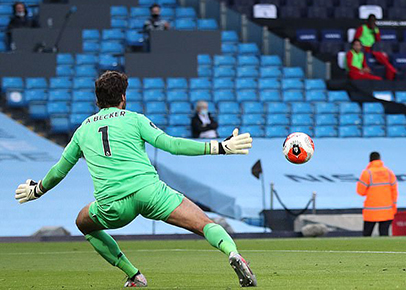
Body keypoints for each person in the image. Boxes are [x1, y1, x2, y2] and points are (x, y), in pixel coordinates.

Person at [13, 71, 257, 287]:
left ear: (97, 101)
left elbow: (60, 170)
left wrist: (37, 190)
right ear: (123, 98)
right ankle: (233, 253)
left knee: (83, 221)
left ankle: (134, 276)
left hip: (113, 206)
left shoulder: (83, 130)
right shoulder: (135, 119)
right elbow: (171, 145)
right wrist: (220, 147)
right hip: (150, 192)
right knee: (204, 224)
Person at [357, 152, 398, 237]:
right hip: (387, 211)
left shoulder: (367, 173)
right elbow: (394, 192)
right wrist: (393, 207)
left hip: (371, 211)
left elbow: (360, 192)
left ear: (370, 160)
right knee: (384, 235)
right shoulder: (389, 173)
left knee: (367, 236)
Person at [354, 14, 397, 80]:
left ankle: (391, 72)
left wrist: (374, 32)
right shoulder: (362, 28)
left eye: (374, 21)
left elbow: (378, 40)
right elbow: (356, 39)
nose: (372, 23)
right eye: (371, 21)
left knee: (383, 57)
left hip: (373, 49)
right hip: (363, 48)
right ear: (368, 21)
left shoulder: (376, 29)